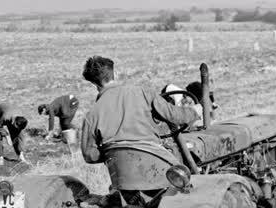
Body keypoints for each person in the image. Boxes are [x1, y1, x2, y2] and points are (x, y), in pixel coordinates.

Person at [80, 56, 198, 189]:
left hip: (123, 181)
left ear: (94, 84)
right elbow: (173, 115)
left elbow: (89, 155)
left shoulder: (91, 115)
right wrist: (195, 111)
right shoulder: (142, 92)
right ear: (115, 74)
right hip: (158, 169)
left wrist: (115, 153)